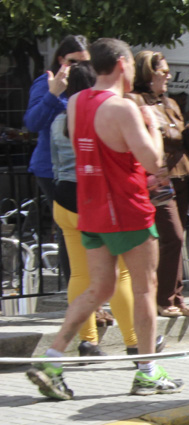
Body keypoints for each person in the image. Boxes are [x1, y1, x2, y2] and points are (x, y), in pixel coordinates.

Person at [26, 38, 181, 400]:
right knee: (144, 288)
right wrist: (150, 126)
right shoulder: (124, 108)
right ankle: (146, 371)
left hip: (91, 206)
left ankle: (52, 360)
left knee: (99, 288)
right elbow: (153, 163)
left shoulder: (78, 101)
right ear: (123, 64)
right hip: (126, 207)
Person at [49, 62, 139, 359]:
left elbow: (54, 164)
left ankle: (87, 341)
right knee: (122, 274)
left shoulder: (57, 120)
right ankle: (134, 341)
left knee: (79, 276)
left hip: (61, 199)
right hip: (92, 201)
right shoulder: (98, 115)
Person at [129, 51, 189, 319]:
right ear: (148, 74)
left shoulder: (171, 102)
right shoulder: (134, 101)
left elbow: (182, 142)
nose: (168, 76)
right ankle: (164, 299)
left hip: (182, 175)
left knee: (178, 238)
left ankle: (177, 297)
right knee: (172, 237)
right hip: (157, 180)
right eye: (163, 71)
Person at [25, 35, 90, 281]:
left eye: (86, 63)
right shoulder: (47, 82)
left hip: (82, 167)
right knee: (70, 230)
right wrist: (53, 95)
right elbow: (32, 123)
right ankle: (80, 295)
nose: (80, 68)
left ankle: (89, 295)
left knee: (87, 229)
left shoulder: (85, 82)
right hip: (51, 169)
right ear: (61, 59)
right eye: (74, 62)